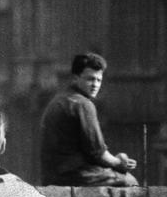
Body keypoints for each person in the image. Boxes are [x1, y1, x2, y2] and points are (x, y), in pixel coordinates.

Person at [39, 52, 138, 186]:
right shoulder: (83, 104)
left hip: (51, 176)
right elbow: (97, 153)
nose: (95, 85)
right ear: (75, 78)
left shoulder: (59, 100)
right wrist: (119, 162)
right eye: (90, 79)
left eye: (99, 80)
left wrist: (115, 160)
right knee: (130, 181)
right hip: (73, 176)